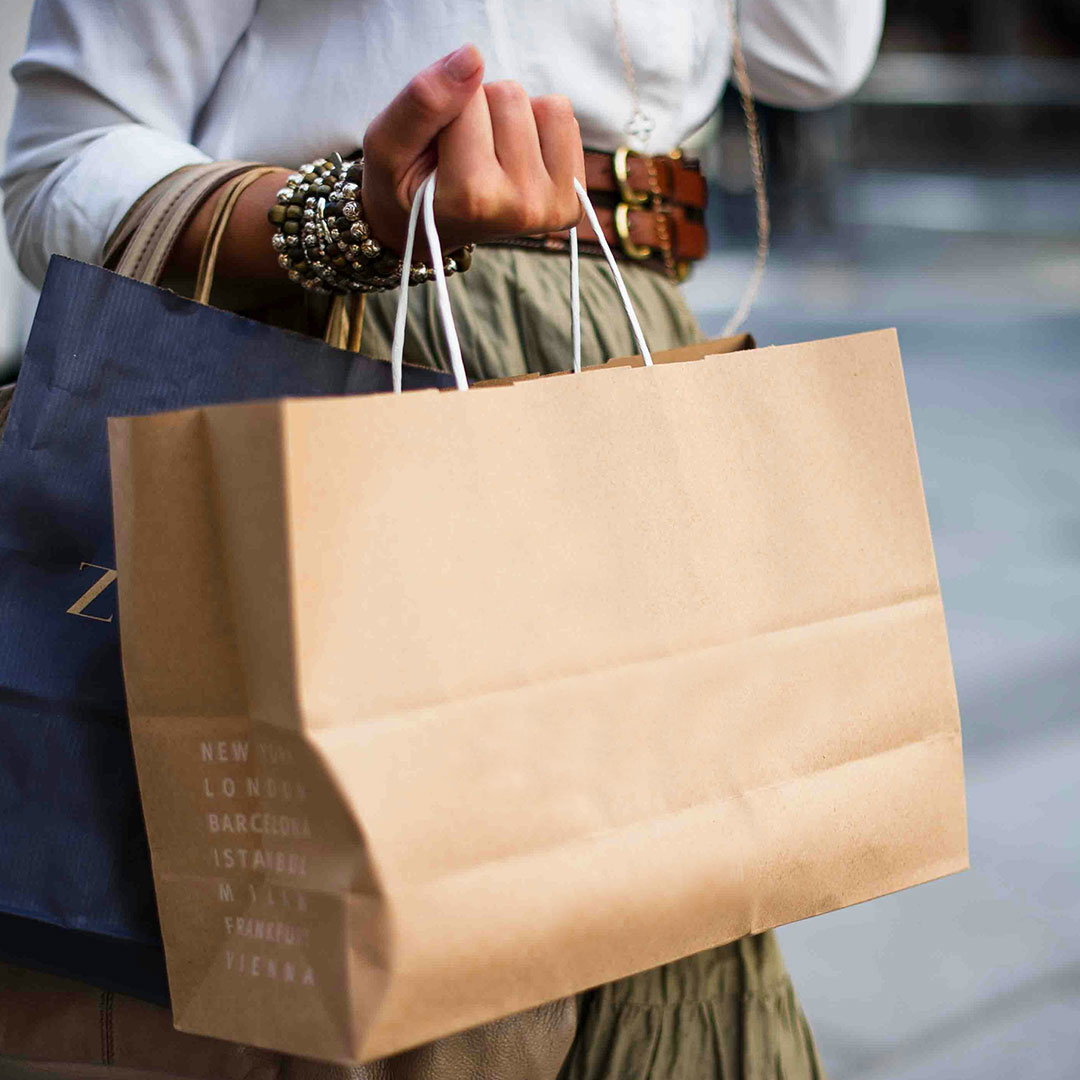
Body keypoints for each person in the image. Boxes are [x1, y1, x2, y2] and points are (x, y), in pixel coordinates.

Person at [0, 2, 884, 1077]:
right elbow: (61, 163)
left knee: (668, 921)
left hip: (620, 364)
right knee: (391, 975)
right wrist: (351, 218)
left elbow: (814, 56)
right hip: (353, 357)